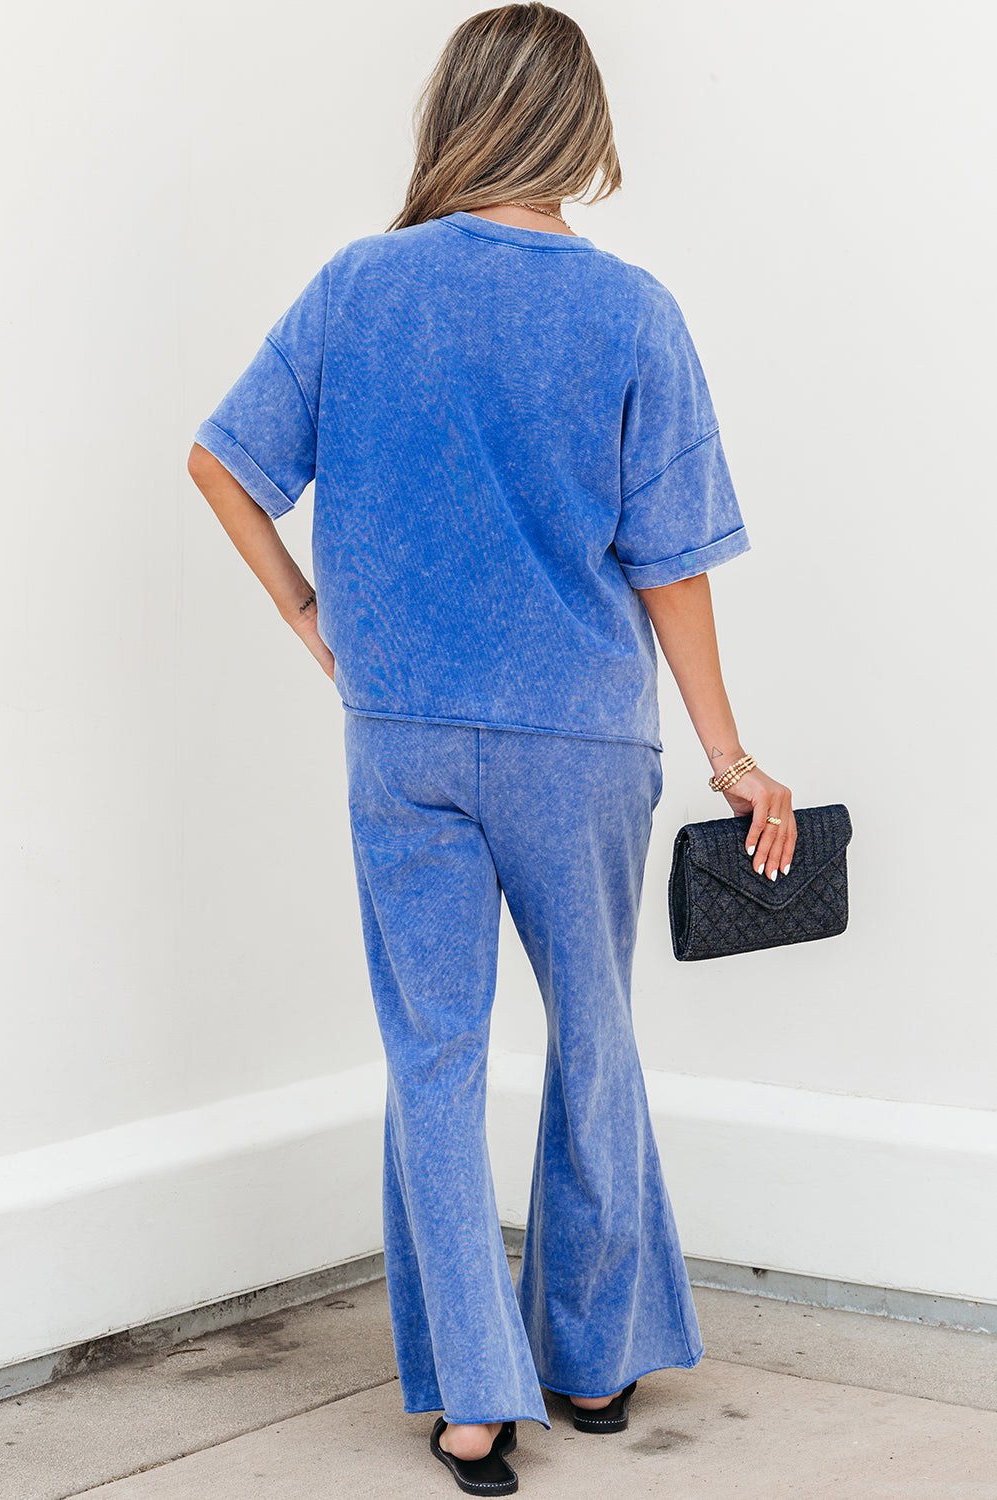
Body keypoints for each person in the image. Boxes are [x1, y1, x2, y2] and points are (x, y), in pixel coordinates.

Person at [186, 4, 796, 1493]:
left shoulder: (360, 284)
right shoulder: (631, 312)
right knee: (594, 1035)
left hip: (400, 732)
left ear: (453, 113)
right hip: (579, 738)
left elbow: (221, 461)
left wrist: (314, 619)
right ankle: (588, 1361)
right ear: (579, 127)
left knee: (434, 1055)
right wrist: (730, 755)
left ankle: (471, 1402)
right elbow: (670, 564)